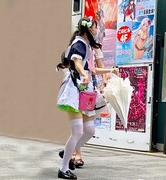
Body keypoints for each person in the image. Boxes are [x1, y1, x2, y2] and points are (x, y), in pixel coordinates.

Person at [57, 17, 119, 179]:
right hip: (73, 91)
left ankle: (67, 151)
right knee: (77, 131)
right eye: (94, 28)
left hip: (85, 92)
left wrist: (110, 70)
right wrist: (83, 74)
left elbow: (91, 69)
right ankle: (63, 169)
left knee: (90, 130)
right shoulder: (79, 44)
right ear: (87, 30)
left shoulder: (87, 46)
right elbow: (77, 62)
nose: (96, 31)